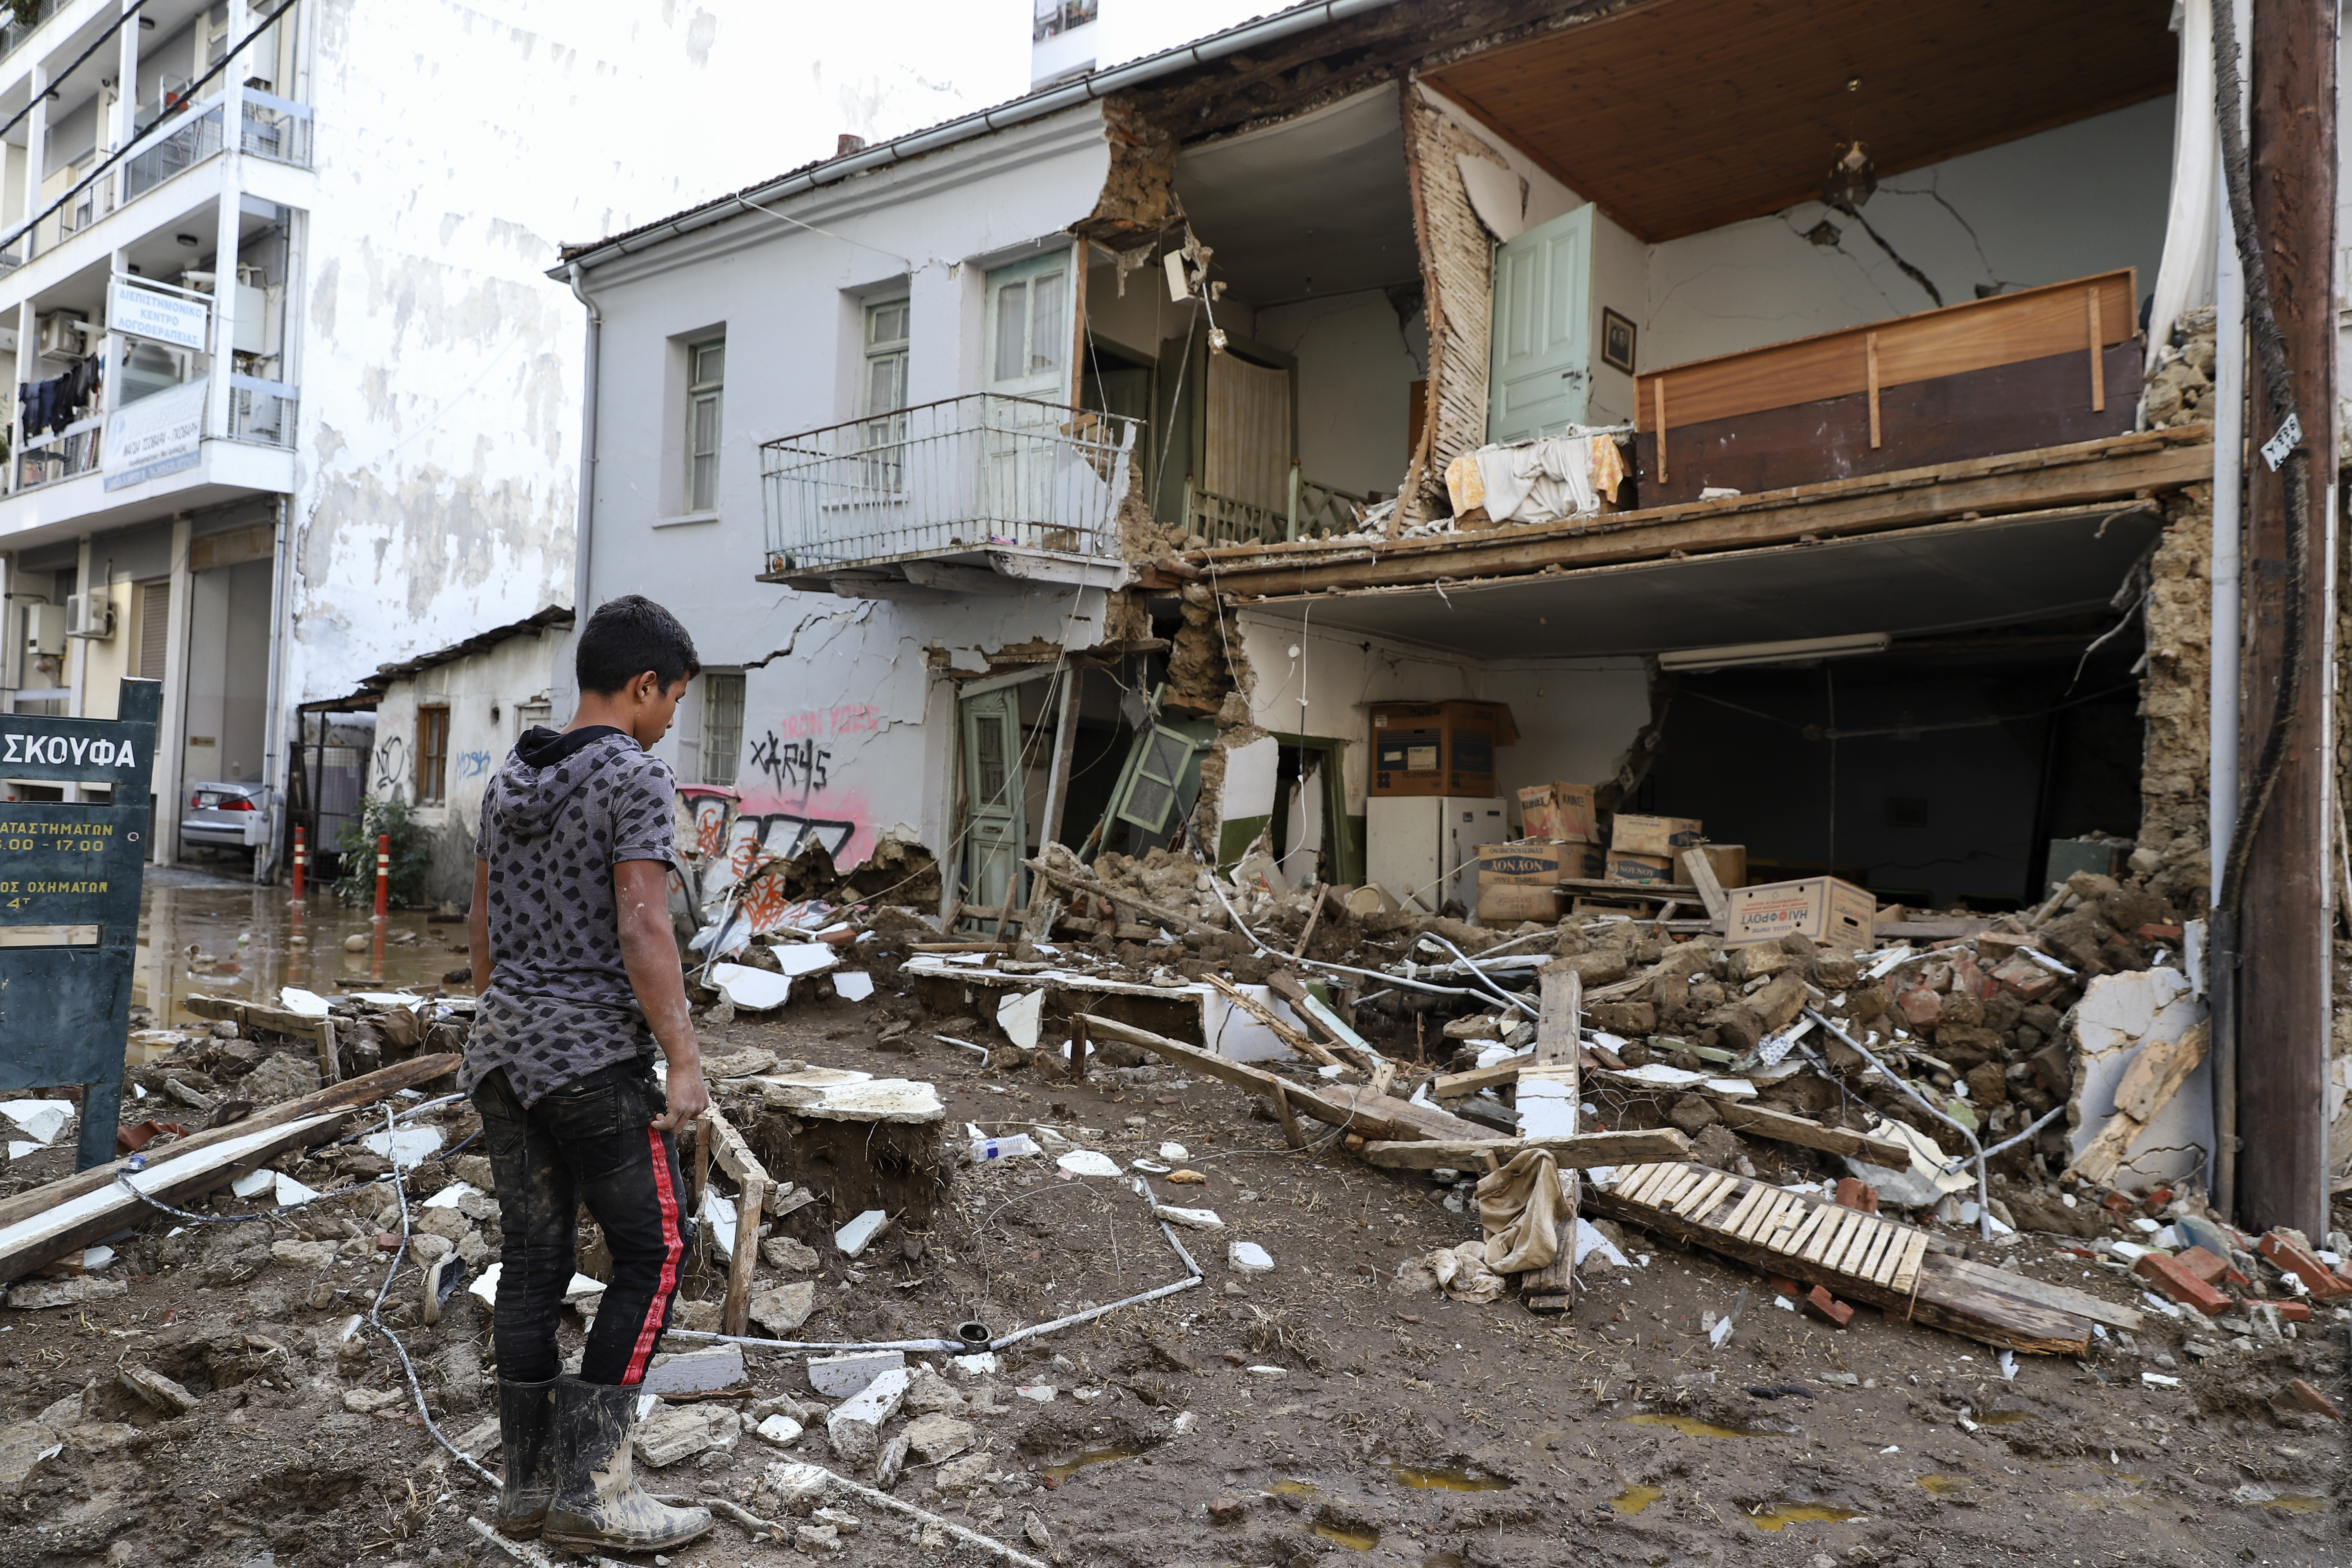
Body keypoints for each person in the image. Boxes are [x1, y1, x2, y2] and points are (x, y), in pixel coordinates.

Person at [465, 595, 712, 1552]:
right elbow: (644, 924)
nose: (670, 720)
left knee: (533, 1263)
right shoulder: (636, 776)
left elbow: (482, 928)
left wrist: (507, 1016)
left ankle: (526, 1490)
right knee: (656, 1255)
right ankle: (597, 1490)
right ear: (643, 685)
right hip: (592, 1060)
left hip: (504, 1052)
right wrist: (683, 1059)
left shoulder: (508, 777)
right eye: (674, 701)